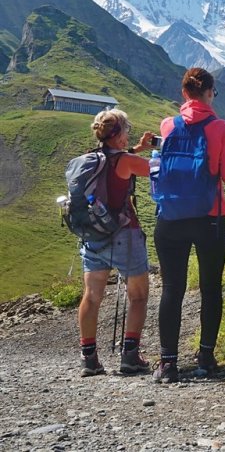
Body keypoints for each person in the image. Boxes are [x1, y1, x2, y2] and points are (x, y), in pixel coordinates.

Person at [153, 67, 225, 383]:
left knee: (171, 289)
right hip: (209, 219)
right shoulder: (222, 129)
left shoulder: (167, 125)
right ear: (209, 93)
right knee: (210, 288)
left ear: (184, 94)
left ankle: (168, 363)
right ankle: (205, 357)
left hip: (170, 218)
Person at [79, 109, 156, 377]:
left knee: (92, 296)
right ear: (118, 133)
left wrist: (137, 149)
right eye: (127, 129)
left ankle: (89, 359)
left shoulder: (91, 159)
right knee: (139, 296)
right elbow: (157, 170)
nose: (129, 134)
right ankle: (130, 356)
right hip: (125, 235)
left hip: (92, 236)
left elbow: (114, 164)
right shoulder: (126, 161)